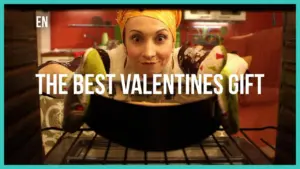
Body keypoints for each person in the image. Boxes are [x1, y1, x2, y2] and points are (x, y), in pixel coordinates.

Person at [38, 9, 250, 134]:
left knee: (225, 66)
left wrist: (223, 76)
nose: (149, 53)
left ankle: (217, 82)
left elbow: (237, 61)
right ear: (124, 40)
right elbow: (44, 73)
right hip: (116, 141)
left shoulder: (185, 58)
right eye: (137, 38)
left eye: (160, 38)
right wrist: (77, 83)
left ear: (172, 40)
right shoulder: (105, 60)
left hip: (177, 136)